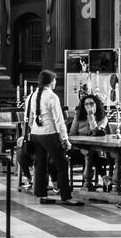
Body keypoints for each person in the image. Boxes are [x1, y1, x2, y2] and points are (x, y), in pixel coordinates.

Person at [26, 70, 83, 206]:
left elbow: (27, 119)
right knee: (62, 164)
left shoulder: (31, 96)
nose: (56, 82)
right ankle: (66, 196)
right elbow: (59, 121)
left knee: (40, 164)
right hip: (49, 134)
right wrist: (65, 139)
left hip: (35, 134)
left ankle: (41, 194)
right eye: (55, 80)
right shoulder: (52, 97)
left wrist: (35, 129)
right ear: (51, 81)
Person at [68, 93, 108, 189]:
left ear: (96, 105)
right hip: (77, 149)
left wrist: (91, 117)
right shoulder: (78, 117)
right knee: (90, 154)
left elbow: (96, 133)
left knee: (91, 153)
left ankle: (88, 183)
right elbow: (71, 135)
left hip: (94, 149)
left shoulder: (103, 118)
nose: (89, 106)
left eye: (91, 103)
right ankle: (104, 177)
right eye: (86, 104)